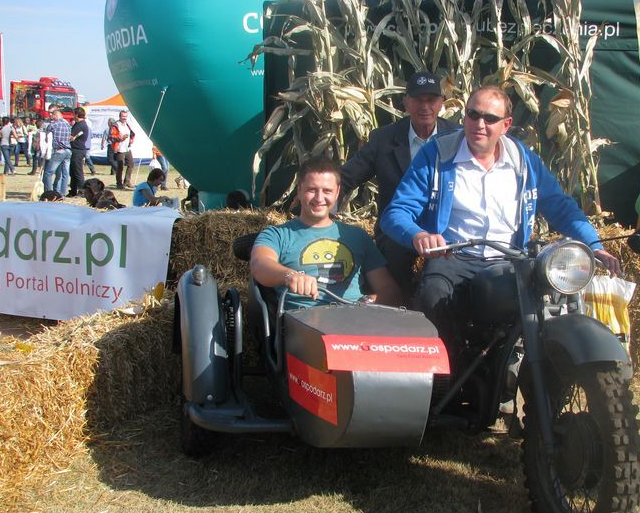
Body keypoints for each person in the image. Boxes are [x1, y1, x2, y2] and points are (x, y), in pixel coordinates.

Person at [380, 86, 620, 356]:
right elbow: (396, 213)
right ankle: (442, 382)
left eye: (490, 118)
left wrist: (592, 243)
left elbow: (561, 207)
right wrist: (419, 235)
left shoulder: (523, 160)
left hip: (510, 259)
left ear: (506, 125)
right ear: (464, 117)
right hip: (453, 258)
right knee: (432, 295)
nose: (479, 124)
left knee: (545, 309)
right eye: (473, 115)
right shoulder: (437, 154)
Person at [341, 71, 459, 302]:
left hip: (445, 231)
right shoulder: (383, 139)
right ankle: (398, 322)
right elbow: (347, 177)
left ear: (441, 103)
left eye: (431, 100)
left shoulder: (458, 138)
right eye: (418, 100)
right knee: (393, 260)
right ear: (406, 103)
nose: (425, 106)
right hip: (397, 230)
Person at [251, 156, 402, 310]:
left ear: (337, 193)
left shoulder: (358, 236)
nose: (319, 198)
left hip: (355, 320)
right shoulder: (277, 235)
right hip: (303, 321)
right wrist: (290, 276)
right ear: (299, 191)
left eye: (327, 191)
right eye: (312, 190)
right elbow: (259, 265)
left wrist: (368, 302)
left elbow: (390, 291)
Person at [69, 107, 90, 197]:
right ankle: (73, 191)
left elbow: (71, 136)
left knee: (78, 172)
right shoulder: (79, 124)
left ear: (77, 115)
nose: (73, 116)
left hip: (78, 150)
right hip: (76, 149)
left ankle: (82, 191)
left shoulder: (80, 125)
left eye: (74, 114)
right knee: (73, 172)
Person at [114, 110, 135, 189]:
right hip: (120, 148)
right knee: (120, 166)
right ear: (120, 116)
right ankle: (119, 183)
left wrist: (131, 139)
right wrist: (121, 138)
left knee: (131, 164)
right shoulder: (116, 125)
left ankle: (127, 181)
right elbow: (112, 136)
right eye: (123, 116)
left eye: (126, 116)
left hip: (127, 148)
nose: (124, 118)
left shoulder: (127, 125)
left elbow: (132, 133)